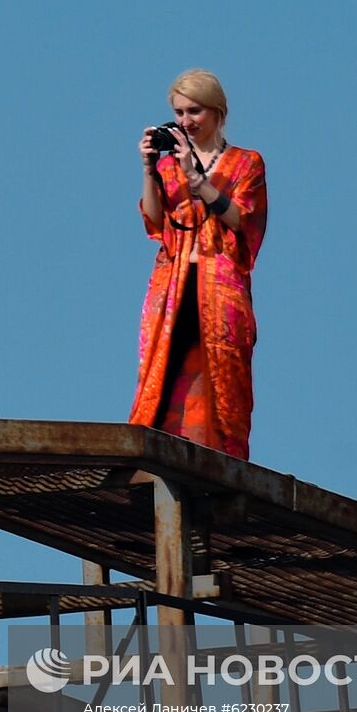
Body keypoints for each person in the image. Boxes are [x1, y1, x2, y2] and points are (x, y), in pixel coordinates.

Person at [128, 69, 267, 459]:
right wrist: (148, 168)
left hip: (220, 291)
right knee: (165, 371)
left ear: (218, 113)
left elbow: (242, 219)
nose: (186, 121)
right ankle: (159, 451)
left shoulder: (246, 164)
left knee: (220, 380)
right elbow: (154, 222)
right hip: (171, 287)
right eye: (179, 112)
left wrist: (196, 177)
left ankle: (217, 457)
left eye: (195, 111)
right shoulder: (169, 165)